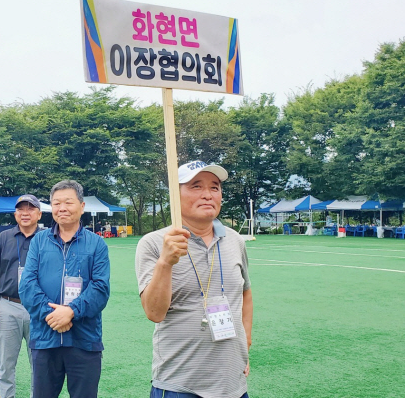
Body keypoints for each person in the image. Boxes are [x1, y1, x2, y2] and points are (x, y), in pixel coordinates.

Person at [135, 161, 254, 398]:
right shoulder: (153, 243)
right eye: (196, 186)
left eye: (215, 187)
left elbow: (245, 294)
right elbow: (154, 312)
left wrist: (244, 346)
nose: (208, 195)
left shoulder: (235, 240)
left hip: (233, 386)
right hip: (180, 384)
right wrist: (165, 262)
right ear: (175, 197)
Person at [19, 180, 110, 398]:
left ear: (81, 206)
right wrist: (53, 315)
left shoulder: (96, 244)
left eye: (68, 202)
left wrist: (71, 312)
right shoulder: (39, 241)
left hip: (84, 339)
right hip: (45, 337)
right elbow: (27, 285)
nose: (62, 208)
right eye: (56, 203)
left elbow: (100, 288)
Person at [0, 194, 43, 398]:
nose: (25, 213)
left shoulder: (48, 237)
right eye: (21, 209)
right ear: (15, 213)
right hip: (8, 305)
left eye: (30, 209)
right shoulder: (2, 237)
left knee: (39, 360)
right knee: (6, 362)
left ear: (39, 213)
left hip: (39, 308)